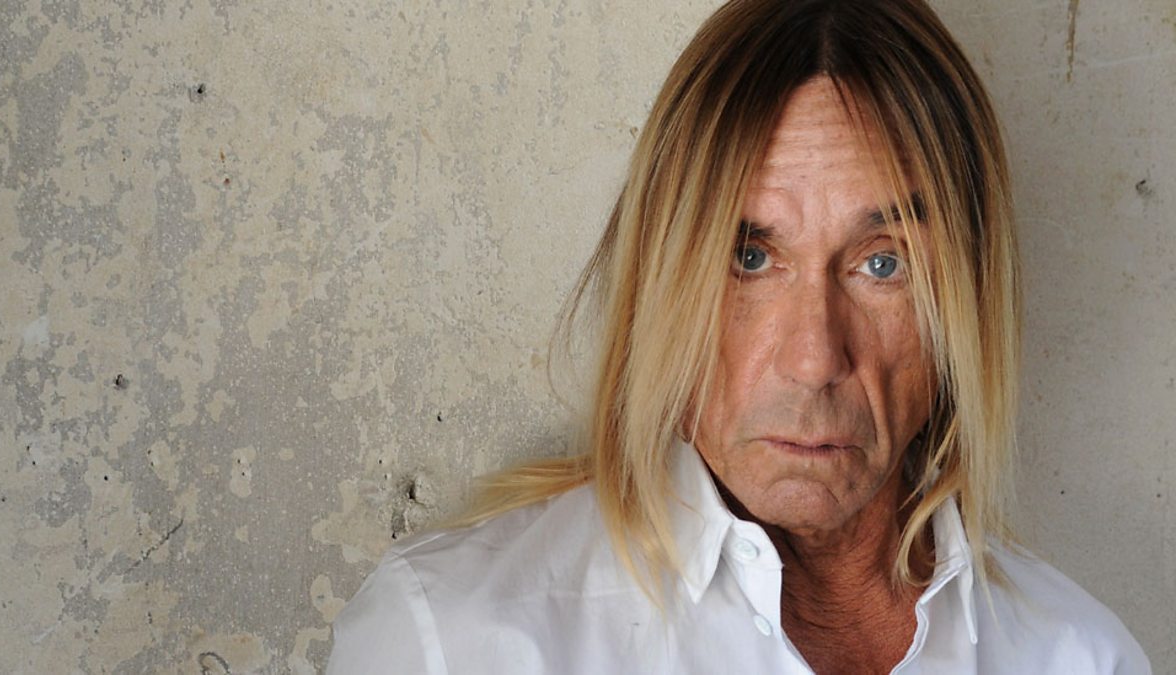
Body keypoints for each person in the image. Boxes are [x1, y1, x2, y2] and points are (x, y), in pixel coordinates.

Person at [328, 0, 1151, 672]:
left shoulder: (1077, 655)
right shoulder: (451, 641)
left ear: (967, 303)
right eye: (750, 257)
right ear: (660, 279)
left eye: (883, 263)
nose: (814, 358)